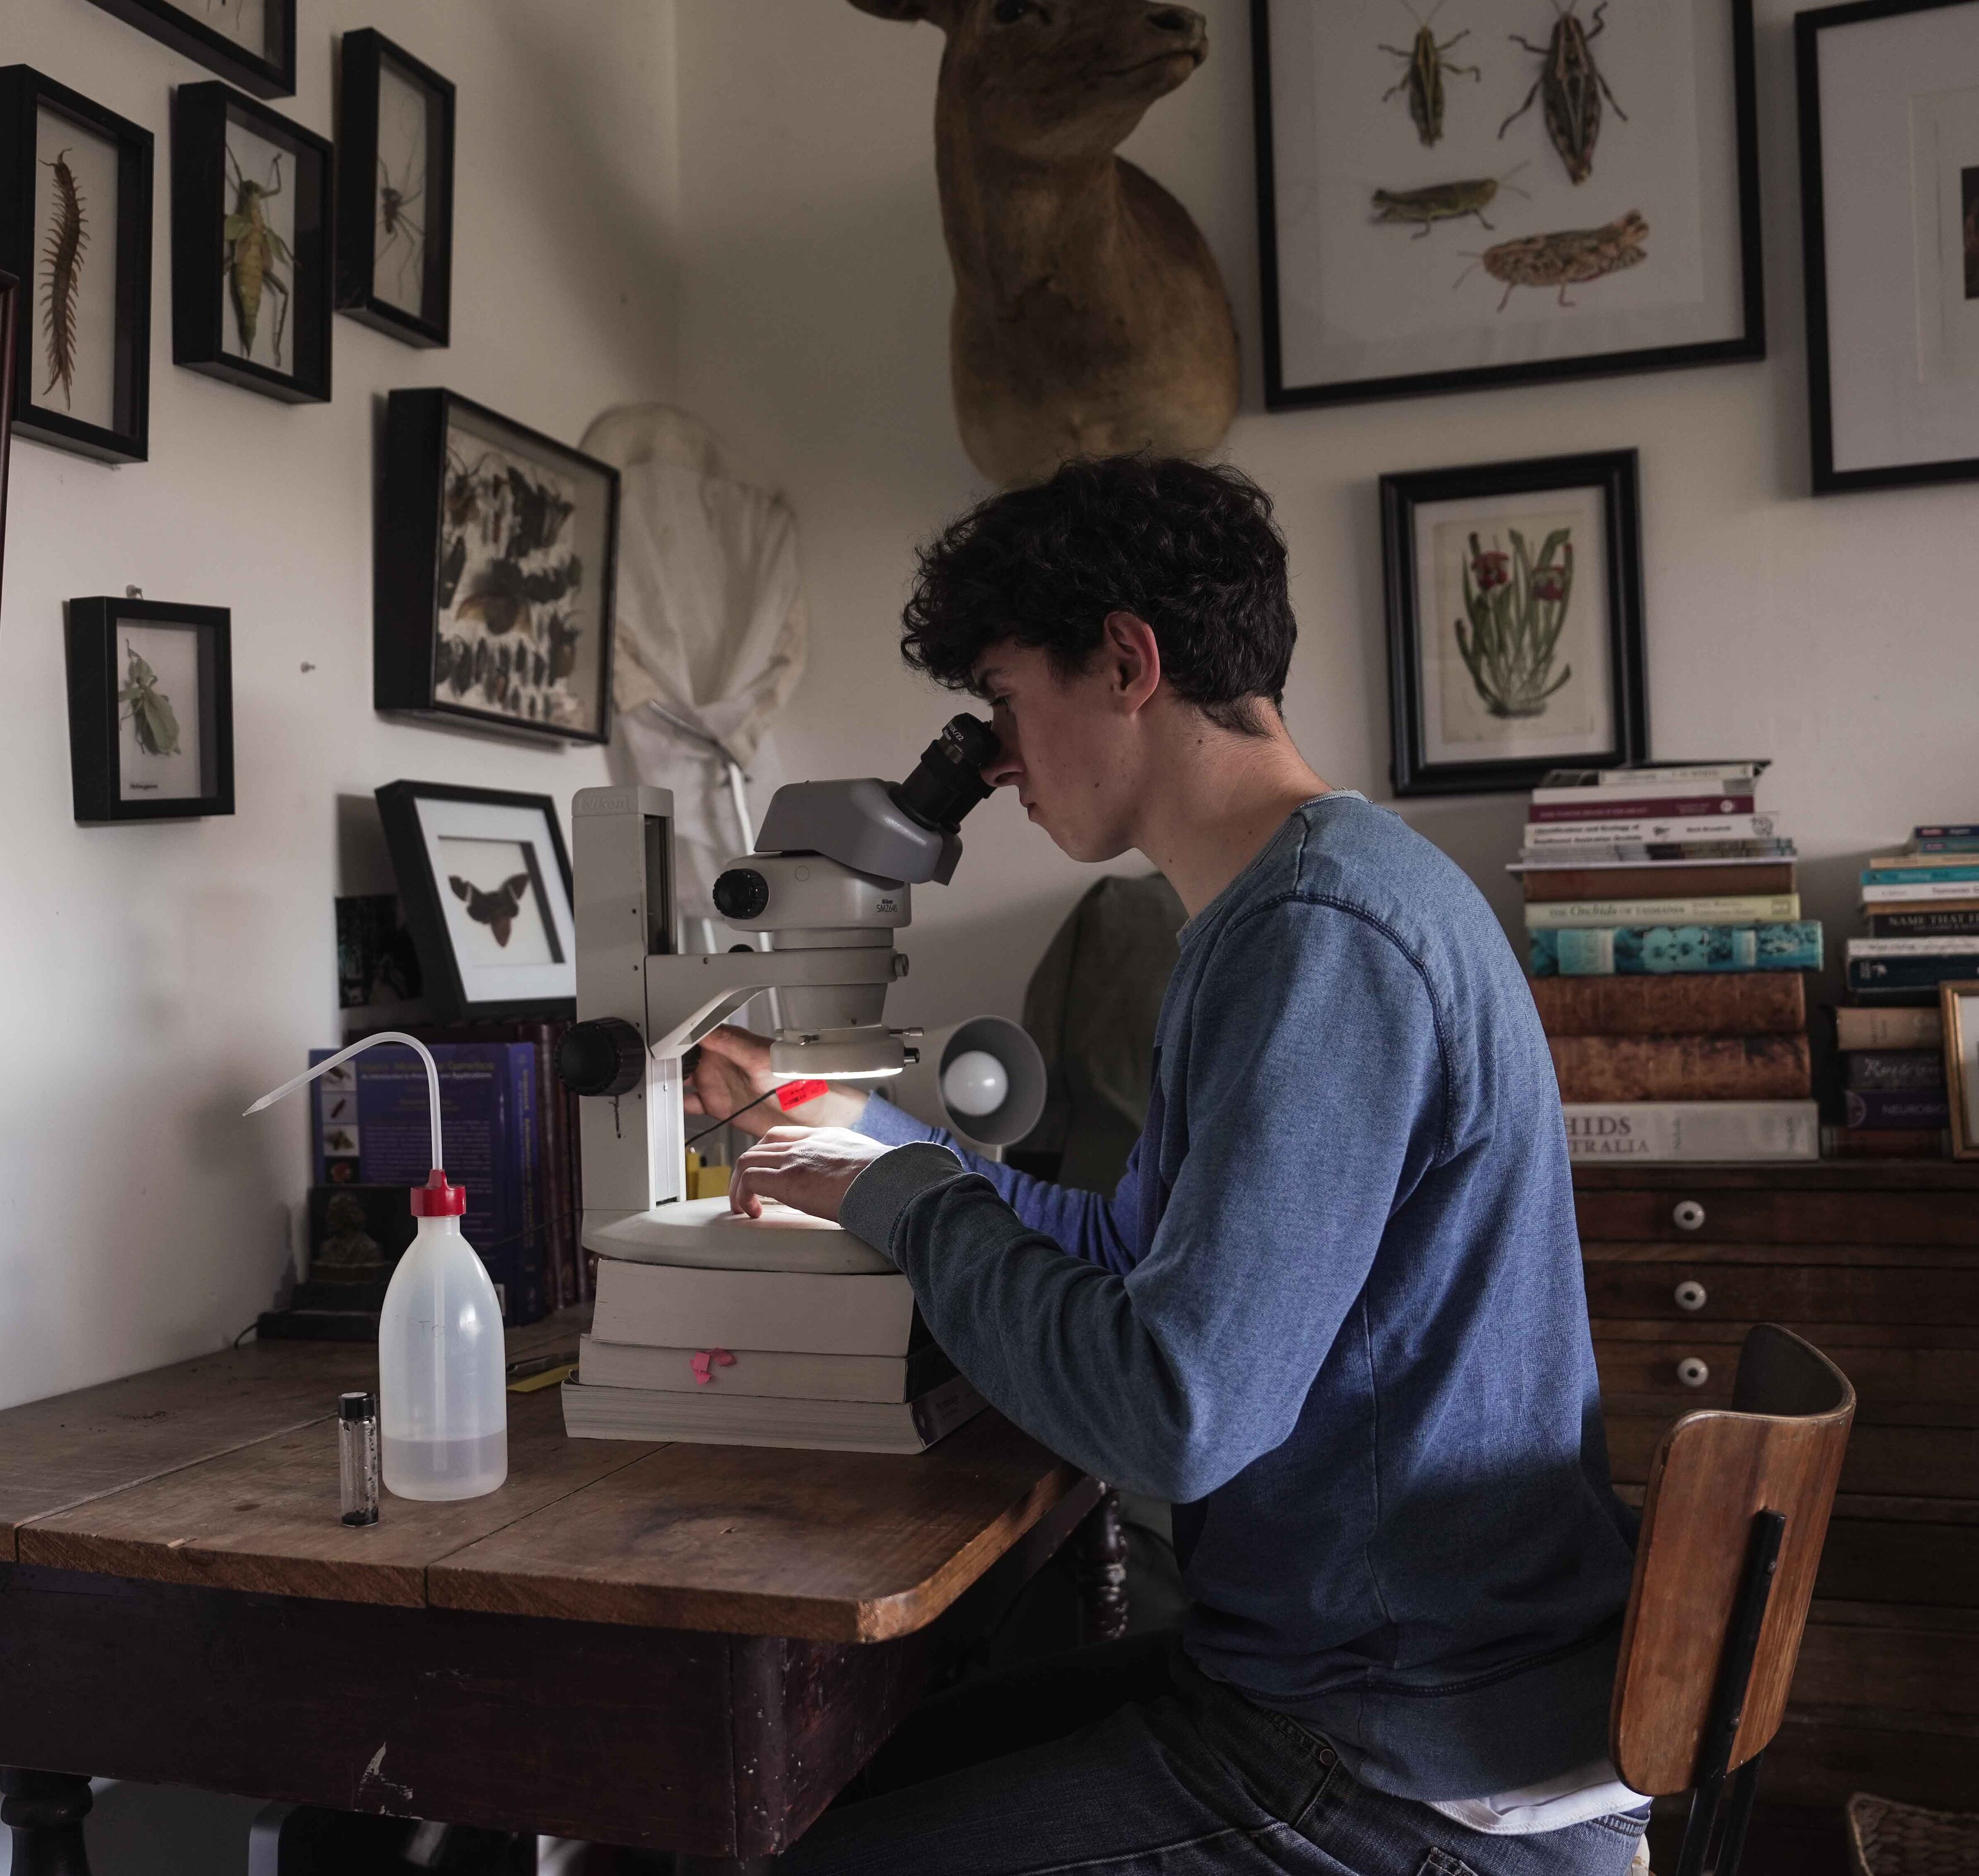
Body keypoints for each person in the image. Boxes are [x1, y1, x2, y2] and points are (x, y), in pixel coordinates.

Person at [686, 456, 1645, 1876]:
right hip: (1375, 1686)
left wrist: (907, 1199)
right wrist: (864, 1141)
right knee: (790, 1798)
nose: (994, 759)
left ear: (1127, 661)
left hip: (1410, 1768)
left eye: (1006, 701)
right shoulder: (1300, 902)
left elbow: (1174, 1410)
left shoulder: (1319, 936)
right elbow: (1135, 1253)